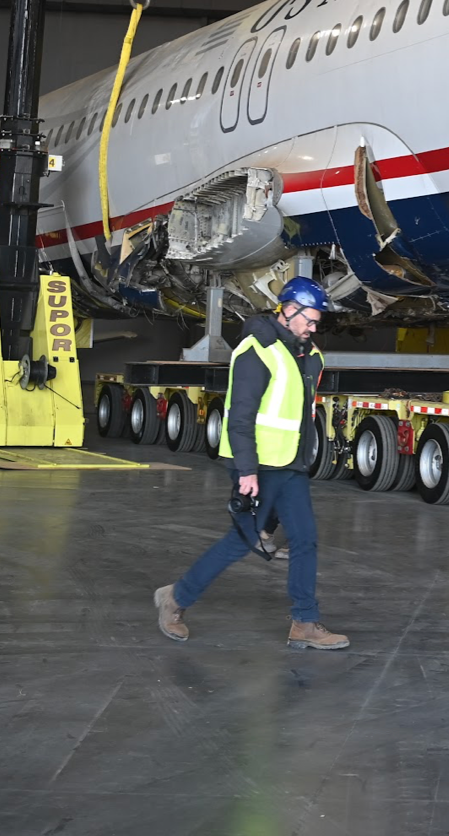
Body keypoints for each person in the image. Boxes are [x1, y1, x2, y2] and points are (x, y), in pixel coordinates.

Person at [155, 277, 349, 649]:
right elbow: (240, 416)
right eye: (308, 319)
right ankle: (175, 598)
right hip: (258, 465)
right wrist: (246, 472)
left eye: (316, 322)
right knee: (241, 541)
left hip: (290, 463)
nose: (313, 327)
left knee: (305, 538)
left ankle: (304, 622)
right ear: (288, 310)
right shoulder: (257, 350)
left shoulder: (311, 356)